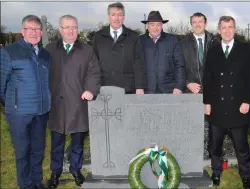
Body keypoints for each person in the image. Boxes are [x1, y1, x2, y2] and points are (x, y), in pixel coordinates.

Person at [45, 15, 101, 188]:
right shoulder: (49, 49)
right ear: (60, 29)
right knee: (56, 144)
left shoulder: (87, 50)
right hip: (57, 105)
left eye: (74, 27)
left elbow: (94, 73)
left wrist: (91, 90)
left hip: (78, 104)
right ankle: (55, 173)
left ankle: (76, 170)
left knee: (77, 143)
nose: (71, 30)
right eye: (67, 27)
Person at [203, 16, 250, 189]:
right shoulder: (213, 50)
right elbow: (207, 78)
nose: (227, 30)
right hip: (217, 107)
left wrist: (247, 100)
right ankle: (216, 172)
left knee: (242, 147)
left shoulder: (246, 49)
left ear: (235, 29)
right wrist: (207, 103)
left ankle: (246, 176)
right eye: (223, 27)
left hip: (238, 107)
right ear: (219, 30)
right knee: (215, 146)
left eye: (230, 27)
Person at [0, 15, 50, 189]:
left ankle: (36, 182)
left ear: (41, 31)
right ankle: (26, 185)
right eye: (30, 29)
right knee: (22, 152)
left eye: (37, 29)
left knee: (38, 150)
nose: (34, 32)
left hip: (41, 111)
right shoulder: (9, 52)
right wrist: (12, 104)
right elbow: (2, 84)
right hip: (19, 113)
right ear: (23, 31)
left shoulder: (45, 54)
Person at [180, 12, 219, 158]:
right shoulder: (183, 44)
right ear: (191, 24)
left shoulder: (216, 42)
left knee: (213, 126)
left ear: (206, 23)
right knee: (193, 125)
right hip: (192, 92)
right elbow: (177, 68)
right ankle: (193, 154)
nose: (197, 24)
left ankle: (212, 153)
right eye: (194, 22)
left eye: (200, 21)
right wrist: (188, 83)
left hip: (212, 92)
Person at [92, 2, 146, 94]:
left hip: (128, 88)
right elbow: (93, 63)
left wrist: (139, 87)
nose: (116, 18)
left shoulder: (133, 37)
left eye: (120, 15)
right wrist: (93, 86)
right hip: (104, 88)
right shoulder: (98, 37)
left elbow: (139, 63)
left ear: (124, 17)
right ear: (108, 16)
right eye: (113, 15)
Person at [139, 11, 185, 94]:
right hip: (146, 90)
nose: (155, 28)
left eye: (158, 24)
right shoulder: (139, 41)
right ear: (147, 26)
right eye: (152, 24)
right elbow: (136, 66)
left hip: (169, 90)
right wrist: (138, 87)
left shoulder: (172, 40)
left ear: (162, 25)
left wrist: (179, 86)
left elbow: (179, 64)